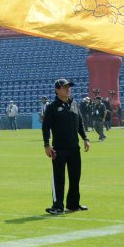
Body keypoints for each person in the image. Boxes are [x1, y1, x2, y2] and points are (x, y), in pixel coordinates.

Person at [41, 79, 91, 216]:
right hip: (59, 149)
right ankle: (57, 206)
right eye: (64, 87)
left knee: (75, 177)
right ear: (57, 90)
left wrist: (85, 139)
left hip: (74, 148)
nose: (68, 89)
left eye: (69, 87)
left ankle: (73, 204)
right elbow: (46, 127)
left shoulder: (74, 104)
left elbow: (80, 123)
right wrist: (47, 145)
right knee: (59, 178)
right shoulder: (52, 107)